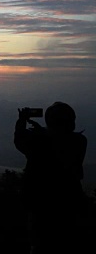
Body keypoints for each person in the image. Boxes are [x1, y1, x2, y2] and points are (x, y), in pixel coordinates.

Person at [14, 102, 87, 254]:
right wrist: (44, 134)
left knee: (41, 244)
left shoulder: (40, 141)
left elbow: (20, 141)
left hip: (41, 202)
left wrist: (22, 121)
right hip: (70, 201)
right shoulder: (79, 141)